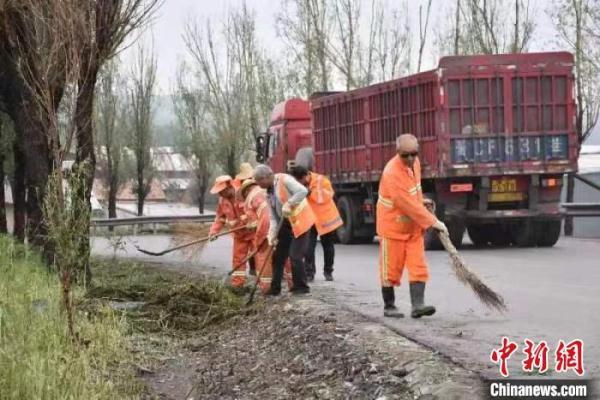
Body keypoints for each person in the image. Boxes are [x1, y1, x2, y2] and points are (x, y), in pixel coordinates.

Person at [377, 134, 448, 318]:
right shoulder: (392, 173)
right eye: (405, 155)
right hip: (393, 228)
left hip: (414, 228)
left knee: (418, 266)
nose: (410, 158)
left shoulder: (415, 165)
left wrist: (422, 201)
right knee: (390, 269)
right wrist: (434, 222)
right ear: (397, 153)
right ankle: (389, 306)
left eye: (413, 154)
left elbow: (413, 192)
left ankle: (418, 305)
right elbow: (405, 203)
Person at [253, 164, 315, 295]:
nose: (258, 185)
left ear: (266, 177)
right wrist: (272, 234)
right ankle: (275, 289)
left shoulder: (284, 179)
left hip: (300, 221)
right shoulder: (268, 192)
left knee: (295, 255)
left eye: (259, 181)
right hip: (285, 223)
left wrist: (290, 203)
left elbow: (302, 191)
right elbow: (273, 217)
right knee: (278, 256)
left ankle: (302, 287)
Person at [239, 178, 293, 293]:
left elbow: (258, 222)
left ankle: (266, 288)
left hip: (267, 227)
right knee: (286, 256)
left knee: (263, 257)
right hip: (282, 223)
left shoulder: (249, 200)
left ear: (246, 191)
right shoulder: (267, 190)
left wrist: (258, 241)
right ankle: (293, 284)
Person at [290, 165, 342, 281]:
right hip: (310, 219)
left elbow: (328, 195)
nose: (300, 183)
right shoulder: (299, 184)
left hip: (325, 218)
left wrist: (310, 193)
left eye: (300, 180)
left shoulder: (321, 180)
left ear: (305, 176)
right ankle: (309, 273)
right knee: (309, 247)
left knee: (328, 246)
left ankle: (328, 271)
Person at [208, 175, 255, 289]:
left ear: (229, 187)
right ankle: (238, 285)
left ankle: (264, 286)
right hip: (239, 235)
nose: (220, 194)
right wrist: (214, 232)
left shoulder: (244, 193)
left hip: (254, 233)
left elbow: (258, 209)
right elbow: (220, 218)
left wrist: (253, 221)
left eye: (221, 191)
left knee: (260, 258)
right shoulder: (222, 201)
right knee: (238, 260)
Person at [235, 162, 257, 276]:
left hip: (258, 226)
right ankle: (253, 270)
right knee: (251, 252)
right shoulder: (239, 192)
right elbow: (239, 210)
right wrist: (244, 220)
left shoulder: (258, 189)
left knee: (260, 249)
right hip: (245, 228)